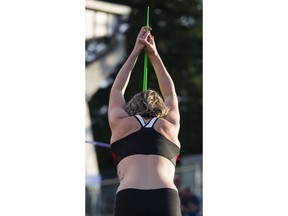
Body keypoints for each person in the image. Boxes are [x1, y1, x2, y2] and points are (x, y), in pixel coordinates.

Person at [108, 26, 181, 216]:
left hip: (129, 196)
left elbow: (116, 90)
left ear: (131, 106)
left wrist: (136, 51)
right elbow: (169, 92)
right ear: (161, 108)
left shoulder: (120, 124)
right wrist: (154, 54)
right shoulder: (170, 126)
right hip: (166, 197)